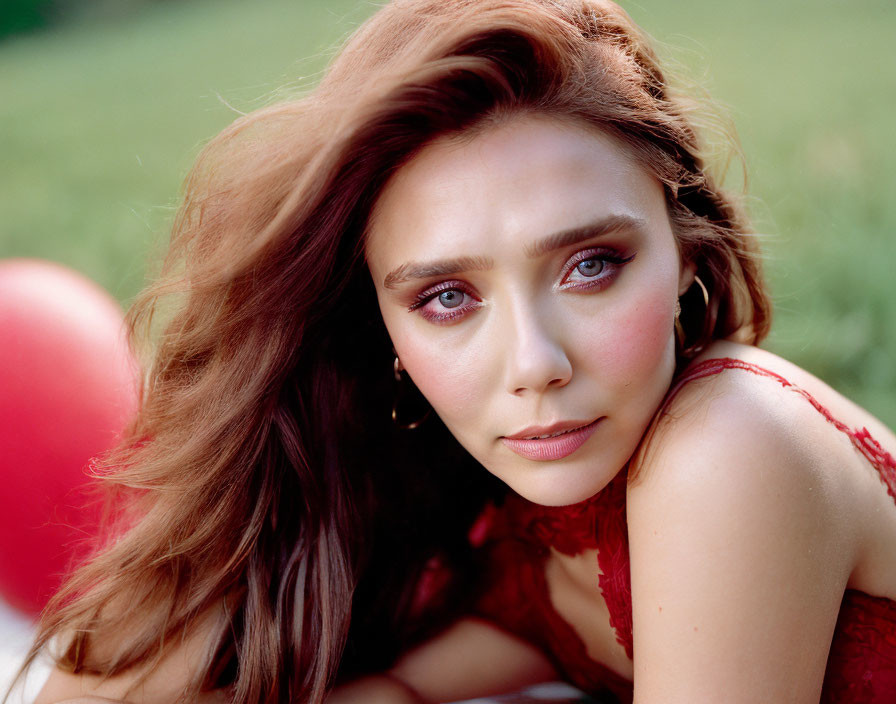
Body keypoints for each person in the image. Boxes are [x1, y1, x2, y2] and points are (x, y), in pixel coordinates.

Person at [13, 0, 895, 702]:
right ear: (381, 330)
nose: (534, 363)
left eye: (591, 266)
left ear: (686, 261)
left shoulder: (729, 447)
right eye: (447, 297)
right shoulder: (507, 527)